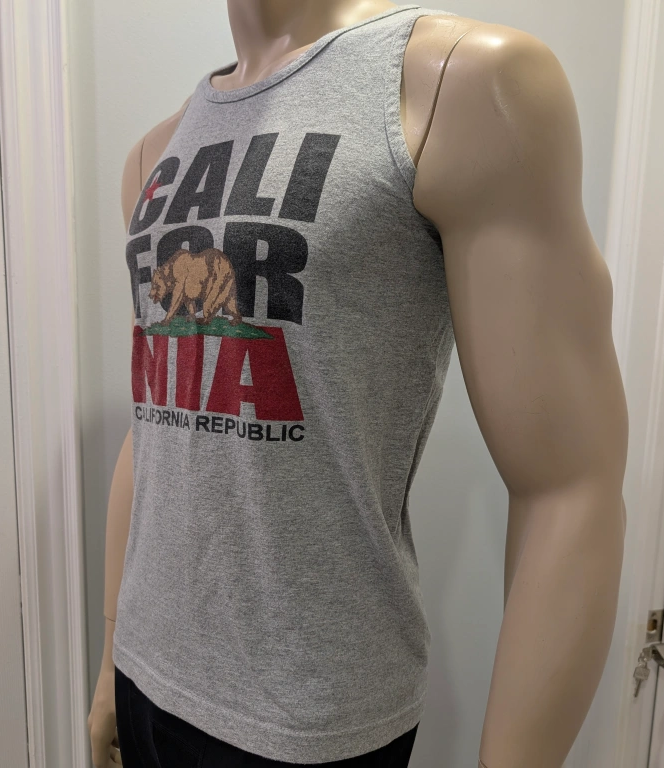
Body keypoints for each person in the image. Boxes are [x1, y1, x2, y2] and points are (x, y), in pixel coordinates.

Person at [89, 3, 628, 766]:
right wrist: (109, 660)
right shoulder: (156, 151)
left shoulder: (459, 82)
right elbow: (156, 417)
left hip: (308, 715)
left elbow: (571, 486)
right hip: (145, 670)